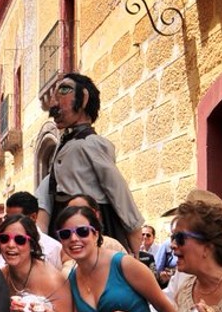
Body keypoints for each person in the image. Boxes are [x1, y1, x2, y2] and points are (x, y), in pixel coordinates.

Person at [43, 73, 145, 252]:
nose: (54, 104)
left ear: (83, 98)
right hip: (65, 224)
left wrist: (134, 234)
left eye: (64, 91)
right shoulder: (67, 143)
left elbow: (117, 188)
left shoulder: (92, 143)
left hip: (89, 226)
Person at [0, 191, 63, 268]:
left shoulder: (54, 249)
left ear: (33, 217)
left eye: (16, 218)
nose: (11, 245)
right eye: (8, 218)